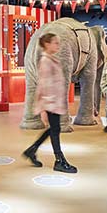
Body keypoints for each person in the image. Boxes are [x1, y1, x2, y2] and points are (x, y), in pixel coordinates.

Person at [21, 33, 77, 173]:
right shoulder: (46, 61)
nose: (58, 45)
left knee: (54, 129)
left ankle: (32, 150)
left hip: (54, 102)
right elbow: (44, 85)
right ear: (47, 44)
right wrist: (45, 108)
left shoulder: (51, 59)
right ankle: (59, 160)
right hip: (51, 102)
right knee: (55, 130)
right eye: (55, 43)